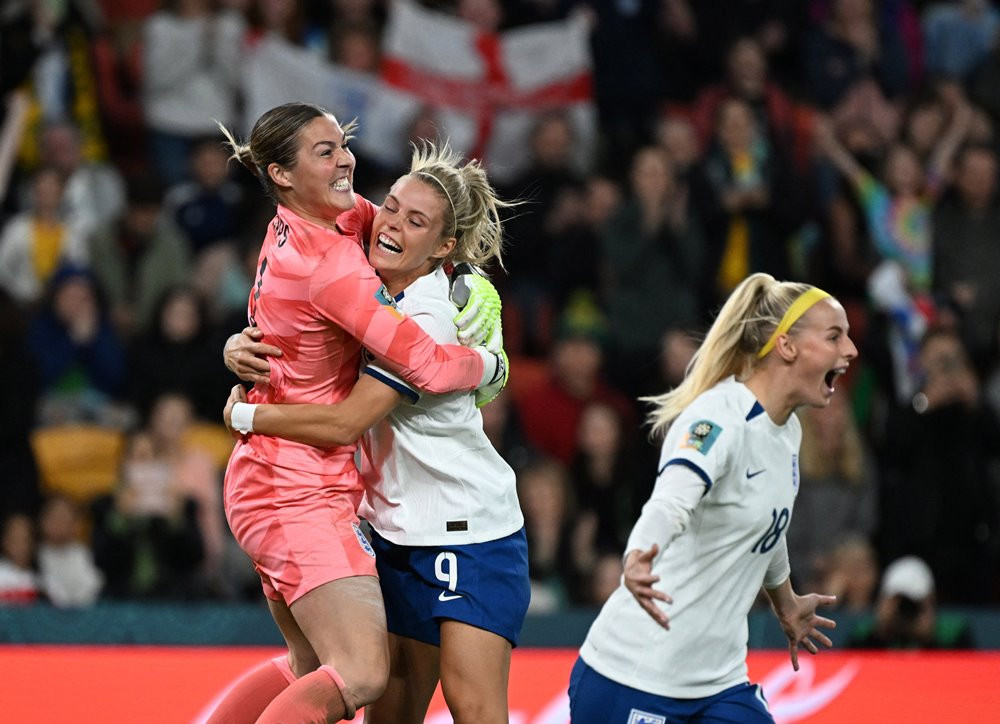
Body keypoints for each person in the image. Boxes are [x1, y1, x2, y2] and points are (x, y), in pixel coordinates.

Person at [203, 103, 506, 723]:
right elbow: (426, 365)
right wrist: (492, 363)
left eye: (343, 144)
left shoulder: (313, 221)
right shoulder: (334, 266)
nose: (346, 160)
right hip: (294, 485)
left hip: (277, 477)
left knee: (309, 664)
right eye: (326, 152)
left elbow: (408, 231)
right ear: (281, 174)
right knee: (361, 672)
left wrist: (470, 276)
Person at [568, 272, 858, 723]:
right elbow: (670, 502)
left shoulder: (787, 431)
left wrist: (785, 602)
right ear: (786, 346)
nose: (850, 350)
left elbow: (767, 526)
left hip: (718, 684)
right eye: (834, 336)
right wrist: (638, 555)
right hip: (633, 675)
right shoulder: (717, 418)